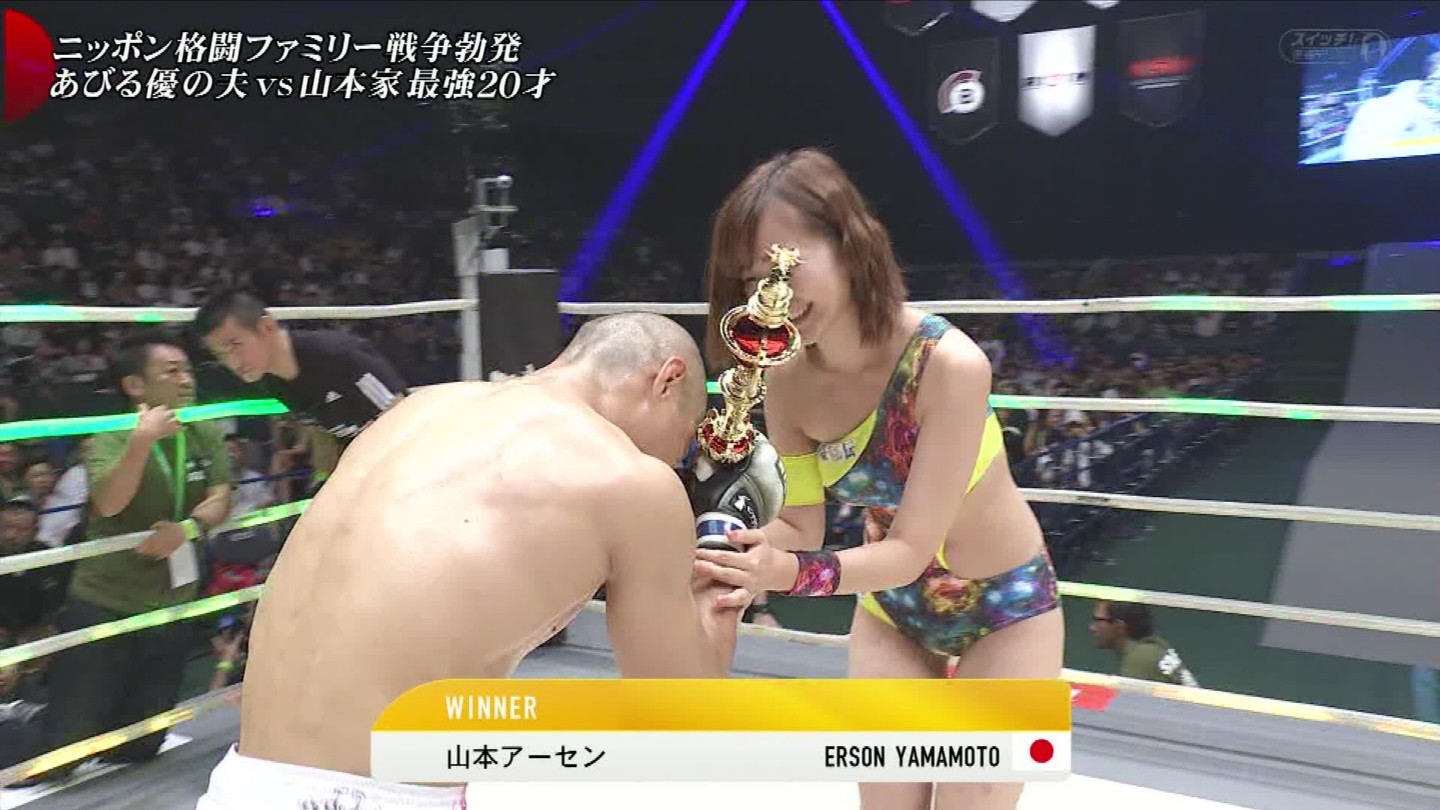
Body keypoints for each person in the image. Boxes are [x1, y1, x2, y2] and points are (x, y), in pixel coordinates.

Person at [194, 312, 782, 810]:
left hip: (238, 785)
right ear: (666, 380)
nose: (676, 460)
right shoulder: (630, 479)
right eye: (683, 437)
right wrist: (723, 536)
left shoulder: (417, 410)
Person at [699, 148, 1063, 810]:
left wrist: (783, 574)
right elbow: (799, 525)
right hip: (892, 611)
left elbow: (910, 550)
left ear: (848, 242)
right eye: (752, 279)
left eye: (786, 265)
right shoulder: (786, 381)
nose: (772, 295)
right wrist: (721, 544)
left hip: (1007, 609)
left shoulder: (949, 365)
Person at [32, 329, 232, 782]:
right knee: (61, 752)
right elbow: (109, 504)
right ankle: (20, 717)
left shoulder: (202, 429)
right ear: (135, 385)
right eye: (171, 371)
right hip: (107, 601)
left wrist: (187, 529)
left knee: (141, 745)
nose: (186, 379)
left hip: (171, 603)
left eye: (188, 370)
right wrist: (142, 442)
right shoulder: (109, 436)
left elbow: (221, 495)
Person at [193, 290, 409, 490]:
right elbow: (321, 427)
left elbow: (404, 420)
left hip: (403, 462)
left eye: (235, 345)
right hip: (364, 471)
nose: (232, 362)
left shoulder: (339, 356)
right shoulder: (269, 379)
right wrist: (323, 482)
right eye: (221, 354)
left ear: (266, 327)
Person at [1090, 600, 1197, 686]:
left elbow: (1128, 704)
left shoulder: (1140, 658)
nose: (1092, 628)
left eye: (1098, 620)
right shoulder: (1155, 645)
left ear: (1119, 626)